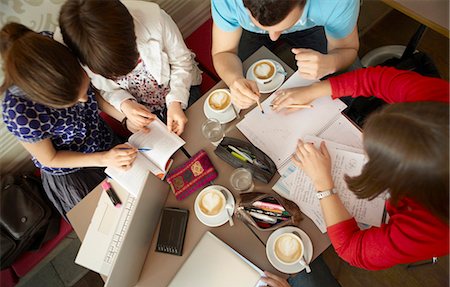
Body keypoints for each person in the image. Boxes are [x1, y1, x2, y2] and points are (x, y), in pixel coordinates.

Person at [271, 66, 449, 270]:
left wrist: (323, 183)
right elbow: (377, 78)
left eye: (376, 159)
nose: (362, 137)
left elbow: (351, 249)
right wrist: (313, 91)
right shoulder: (437, 103)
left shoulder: (431, 229)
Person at [0, 22, 139, 218]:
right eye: (73, 101)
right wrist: (104, 159)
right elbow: (50, 158)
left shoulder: (59, 47)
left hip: (104, 141)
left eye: (84, 89)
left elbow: (93, 95)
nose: (84, 100)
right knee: (113, 220)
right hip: (74, 172)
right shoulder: (18, 112)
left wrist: (124, 118)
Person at [57, 0, 202, 136]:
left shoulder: (155, 19)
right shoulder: (74, 52)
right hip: (141, 108)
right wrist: (124, 104)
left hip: (180, 87)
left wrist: (176, 101)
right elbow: (103, 89)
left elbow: (182, 61)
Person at [211, 0, 360, 109]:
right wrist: (234, 79)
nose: (273, 37)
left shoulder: (335, 2)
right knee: (246, 88)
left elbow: (347, 48)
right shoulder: (228, 2)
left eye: (282, 27)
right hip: (250, 32)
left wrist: (332, 62)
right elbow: (223, 52)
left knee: (350, 85)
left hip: (315, 26)